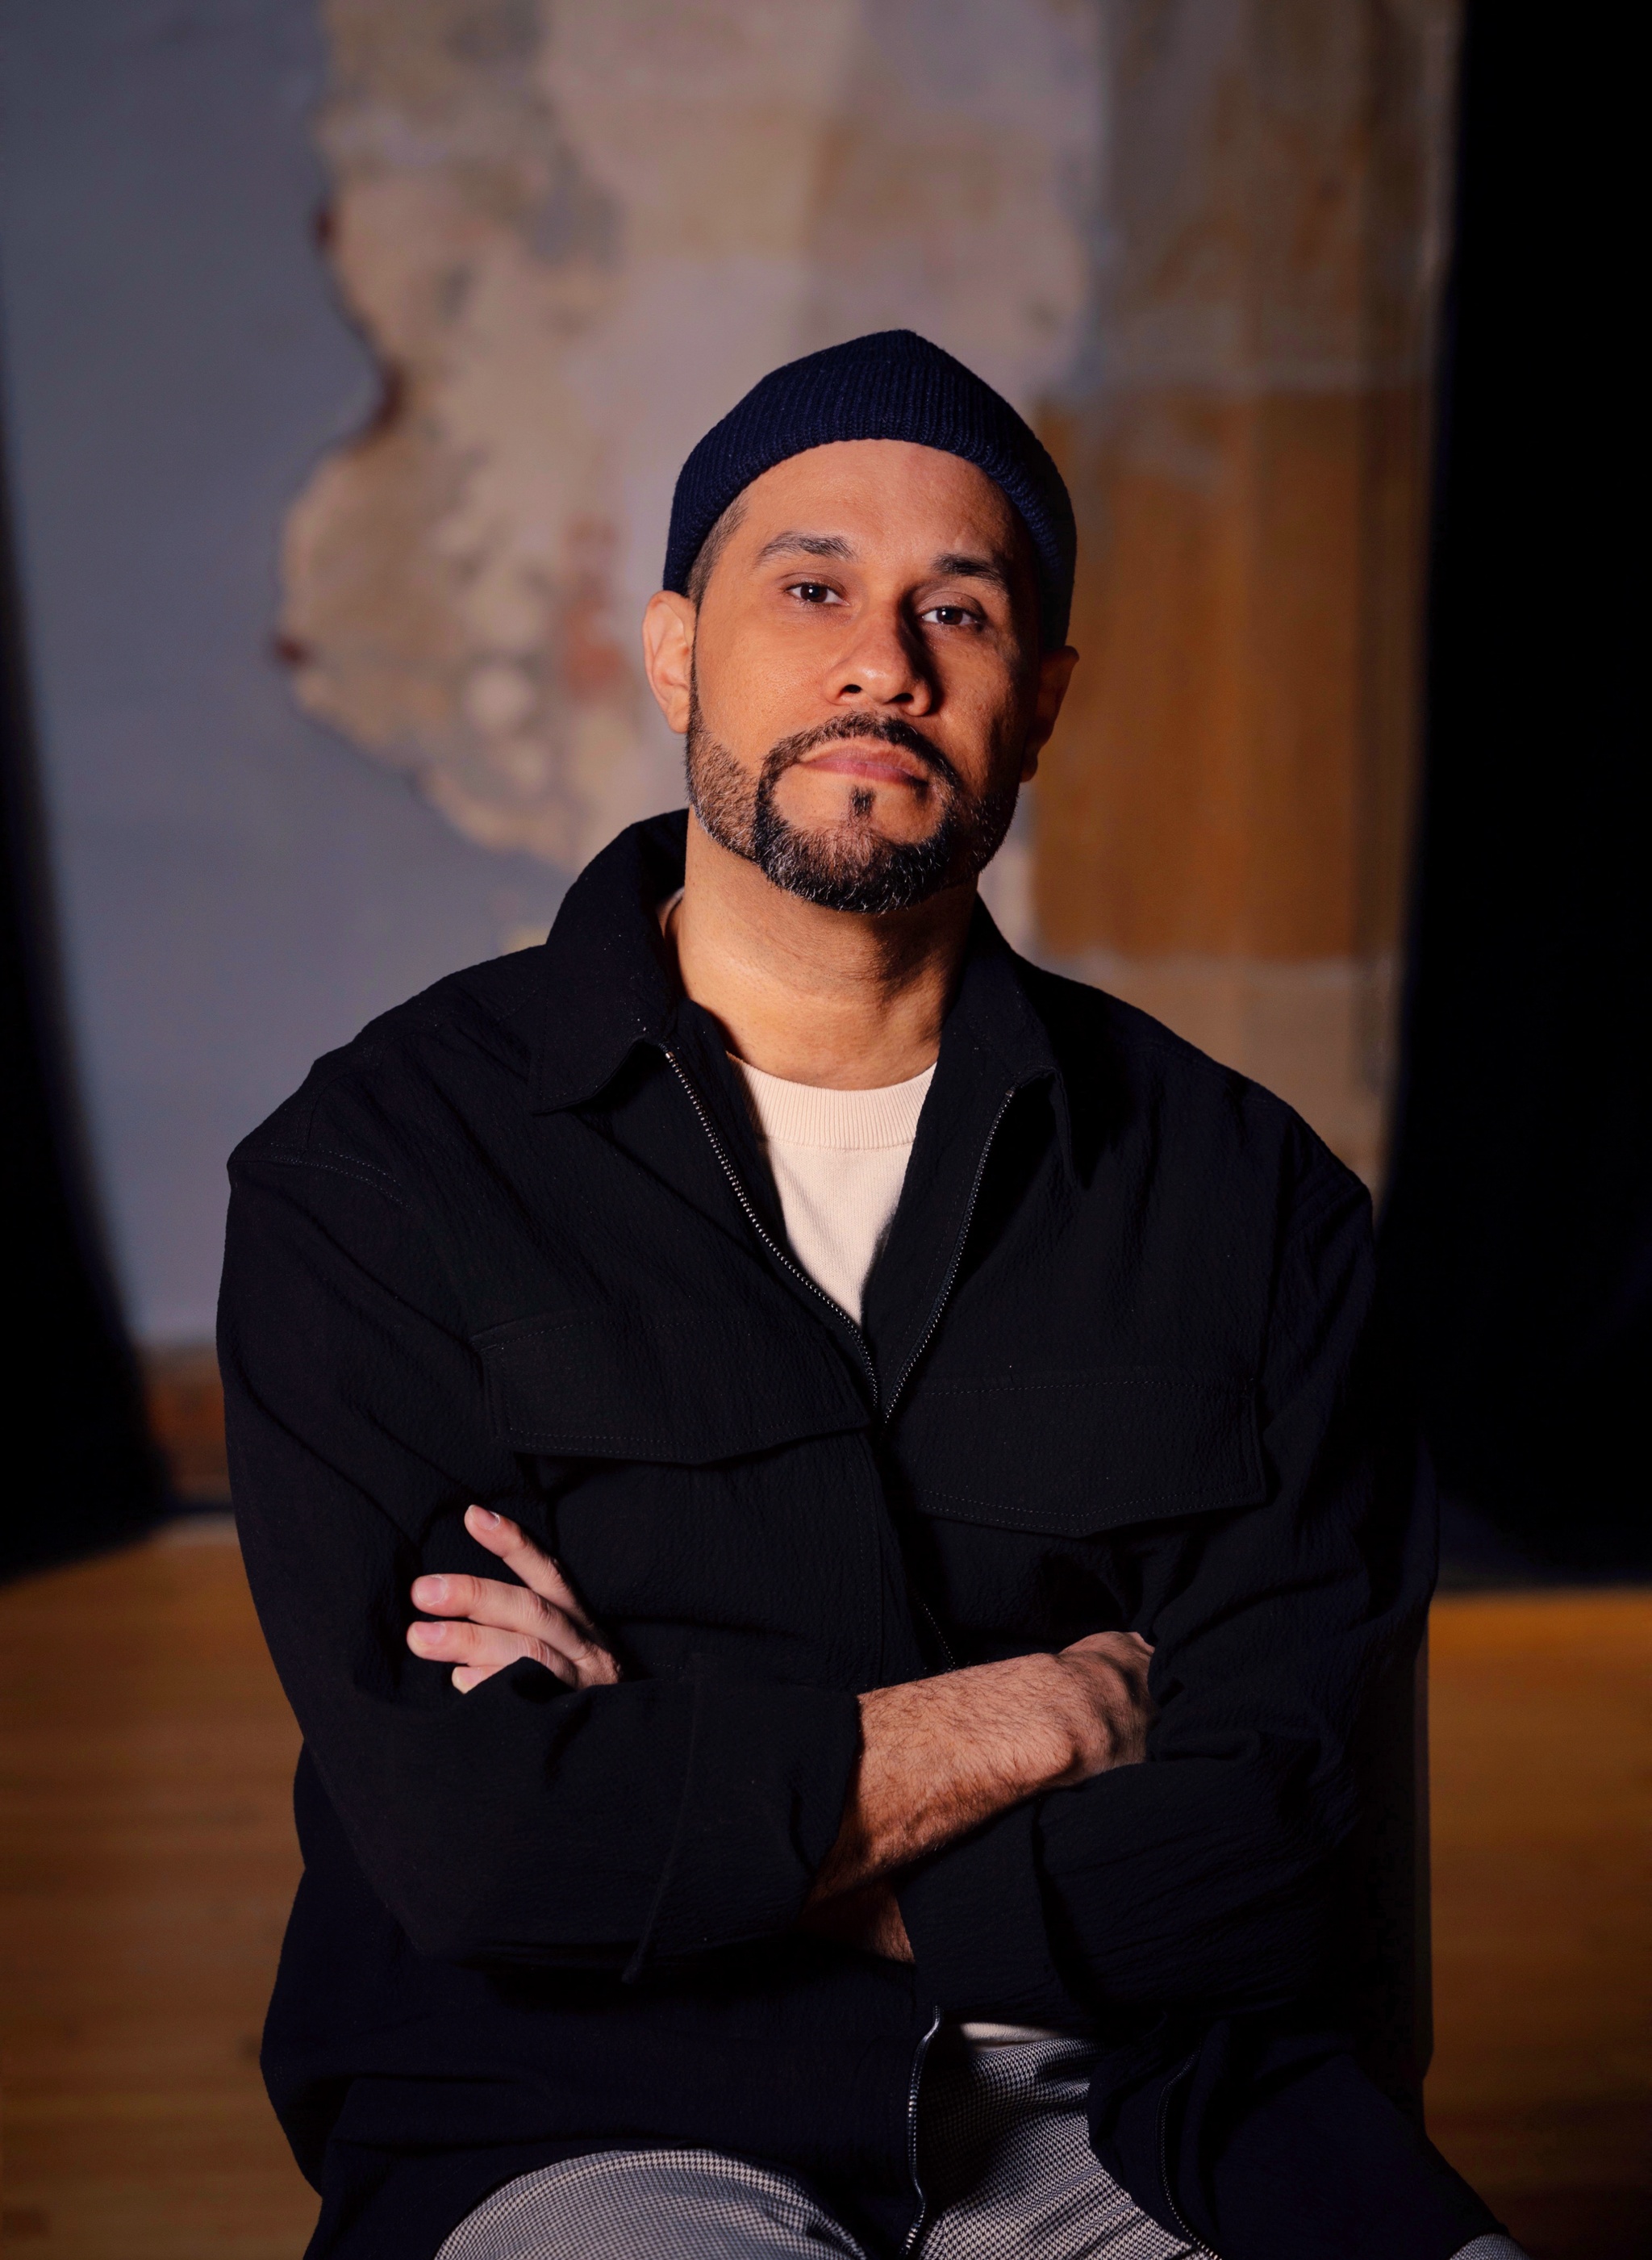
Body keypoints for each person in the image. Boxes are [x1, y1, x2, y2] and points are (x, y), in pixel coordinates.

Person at [221, 331, 1525, 2260]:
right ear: (678, 652)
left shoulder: (1248, 1200)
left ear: (1042, 697)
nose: (880, 661)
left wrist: (681, 1796)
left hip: (1144, 2112)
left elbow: (1288, 1853)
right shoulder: (384, 1172)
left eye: (959, 610)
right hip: (586, 2114)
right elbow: (484, 1846)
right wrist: (1028, 1724)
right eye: (811, 585)